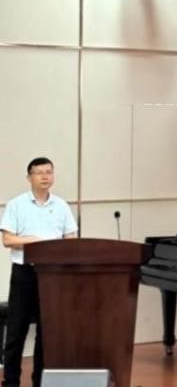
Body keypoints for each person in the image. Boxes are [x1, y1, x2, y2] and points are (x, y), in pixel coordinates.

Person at [1, 157, 78, 387]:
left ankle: (40, 381)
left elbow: (71, 240)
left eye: (49, 172)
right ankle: (11, 381)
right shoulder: (16, 204)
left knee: (46, 332)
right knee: (16, 330)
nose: (45, 176)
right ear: (29, 177)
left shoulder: (61, 206)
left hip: (52, 276)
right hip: (24, 274)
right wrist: (35, 242)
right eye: (39, 172)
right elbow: (8, 240)